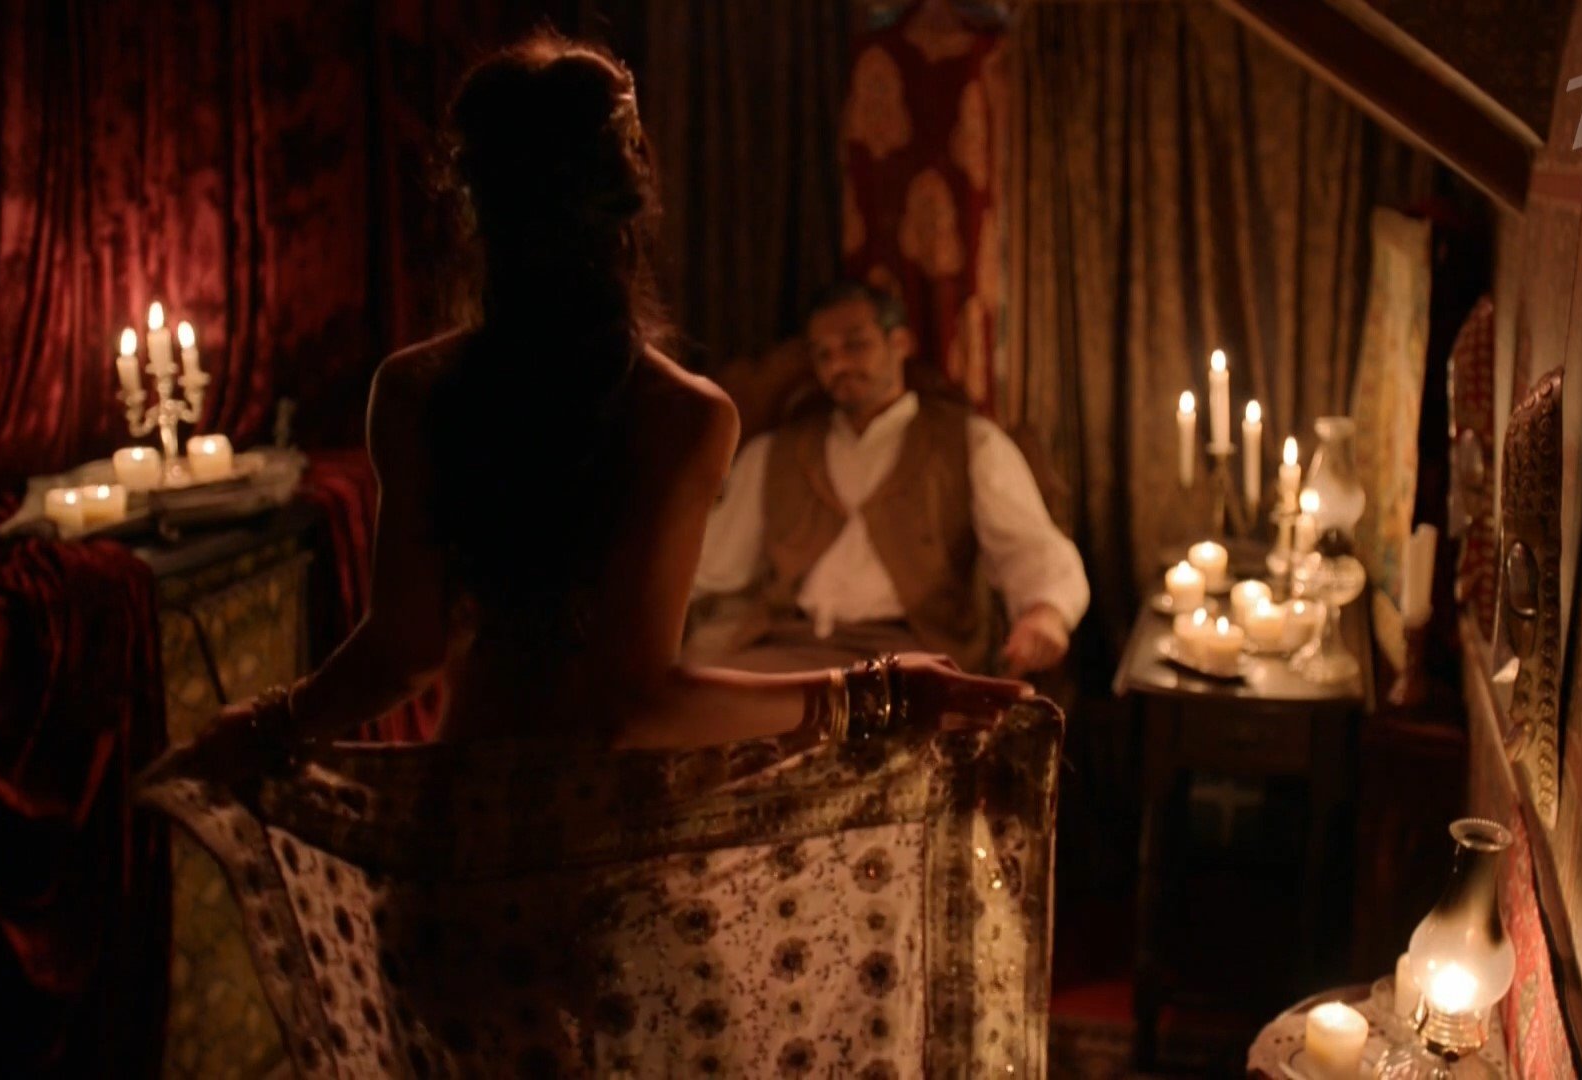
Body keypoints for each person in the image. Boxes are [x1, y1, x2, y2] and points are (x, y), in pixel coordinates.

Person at [140, 30, 1050, 1076]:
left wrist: (266, 726)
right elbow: (632, 699)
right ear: (631, 196)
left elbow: (403, 652)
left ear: (473, 203)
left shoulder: (416, 389)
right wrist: (874, 695)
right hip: (603, 866)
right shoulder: (683, 416)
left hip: (458, 843)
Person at [688, 282, 1089, 677]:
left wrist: (1045, 612)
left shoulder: (970, 444)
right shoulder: (773, 454)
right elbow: (712, 565)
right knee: (699, 701)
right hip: (786, 646)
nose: (837, 366)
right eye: (823, 354)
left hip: (909, 654)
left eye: (855, 345)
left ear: (900, 343)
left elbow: (1030, 549)